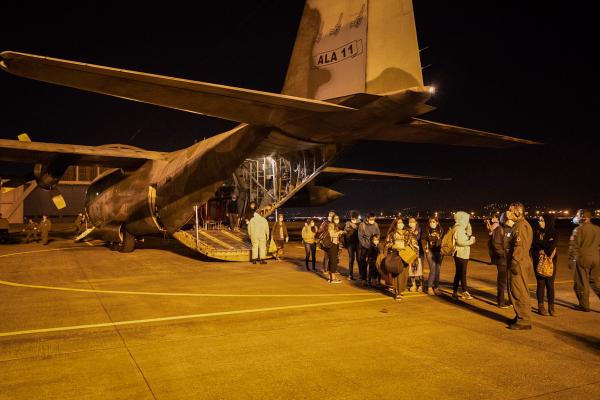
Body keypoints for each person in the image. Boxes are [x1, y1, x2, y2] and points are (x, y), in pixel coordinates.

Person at [506, 202, 534, 330]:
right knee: (516, 289)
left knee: (520, 291)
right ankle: (520, 315)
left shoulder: (521, 226)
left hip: (519, 261)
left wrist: (514, 262)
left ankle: (524, 320)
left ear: (518, 212)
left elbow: (519, 247)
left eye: (511, 210)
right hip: (518, 260)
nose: (508, 213)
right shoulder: (517, 225)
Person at [568, 209, 600, 312]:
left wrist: (571, 259)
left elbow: (573, 247)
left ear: (582, 217)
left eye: (577, 215)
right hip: (596, 258)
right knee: (595, 282)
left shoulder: (578, 230)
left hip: (583, 258)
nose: (576, 217)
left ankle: (584, 305)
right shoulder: (597, 229)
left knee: (581, 283)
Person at [532, 213, 559, 316]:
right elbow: (533, 245)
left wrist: (541, 245)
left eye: (542, 220)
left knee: (550, 285)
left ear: (548, 221)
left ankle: (551, 307)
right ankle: (541, 306)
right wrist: (543, 245)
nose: (540, 222)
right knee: (540, 284)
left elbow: (551, 245)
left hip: (551, 261)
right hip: (538, 261)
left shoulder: (555, 232)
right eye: (539, 220)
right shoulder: (537, 231)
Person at [452, 211, 476, 300]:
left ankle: (454, 292)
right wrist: (471, 241)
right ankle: (464, 291)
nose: (467, 220)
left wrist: (468, 223)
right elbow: (461, 242)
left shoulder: (459, 227)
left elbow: (468, 233)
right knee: (462, 273)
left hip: (460, 253)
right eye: (466, 219)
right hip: (461, 254)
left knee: (458, 273)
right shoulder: (459, 229)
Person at [491, 212, 512, 308]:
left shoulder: (513, 230)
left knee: (510, 281)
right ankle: (501, 301)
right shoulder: (499, 230)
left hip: (510, 259)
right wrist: (504, 254)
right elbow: (496, 245)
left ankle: (511, 301)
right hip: (502, 260)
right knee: (502, 281)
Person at [423, 216, 444, 295]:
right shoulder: (427, 229)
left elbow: (440, 241)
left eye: (434, 221)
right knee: (433, 269)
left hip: (439, 252)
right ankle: (429, 287)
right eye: (431, 222)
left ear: (437, 222)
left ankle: (436, 287)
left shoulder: (441, 230)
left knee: (438, 270)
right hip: (430, 251)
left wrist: (438, 237)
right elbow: (428, 239)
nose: (432, 223)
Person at [358, 213, 380, 284]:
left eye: (373, 219)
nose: (372, 220)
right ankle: (363, 279)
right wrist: (366, 245)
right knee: (363, 264)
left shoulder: (376, 224)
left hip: (373, 247)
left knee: (374, 264)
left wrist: (376, 242)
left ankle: (373, 278)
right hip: (365, 248)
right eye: (371, 219)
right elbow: (360, 237)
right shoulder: (362, 225)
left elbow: (378, 234)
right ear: (367, 218)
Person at [407, 216, 424, 292]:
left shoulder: (419, 229)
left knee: (419, 269)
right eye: (410, 221)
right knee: (411, 269)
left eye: (413, 221)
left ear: (416, 222)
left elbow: (418, 238)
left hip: (419, 252)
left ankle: (420, 285)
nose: (411, 223)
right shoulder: (407, 230)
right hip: (410, 251)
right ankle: (413, 284)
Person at [344, 211, 360, 280]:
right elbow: (345, 232)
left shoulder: (360, 223)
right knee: (351, 259)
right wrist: (348, 228)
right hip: (350, 244)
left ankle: (361, 275)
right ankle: (350, 275)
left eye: (354, 218)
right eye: (352, 217)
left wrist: (355, 227)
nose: (353, 219)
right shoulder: (347, 223)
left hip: (358, 244)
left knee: (359, 259)